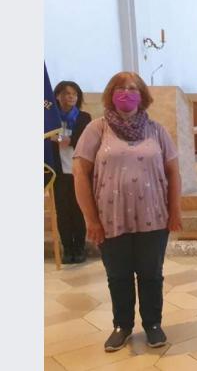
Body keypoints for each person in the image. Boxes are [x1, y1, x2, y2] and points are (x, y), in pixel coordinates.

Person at [73, 72, 182, 352]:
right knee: (118, 275)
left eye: (132, 88)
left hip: (154, 216)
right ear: (110, 94)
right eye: (120, 88)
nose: (126, 92)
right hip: (110, 218)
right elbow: (80, 172)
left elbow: (173, 171)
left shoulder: (157, 130)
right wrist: (91, 219)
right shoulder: (96, 129)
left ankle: (153, 325)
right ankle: (122, 326)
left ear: (142, 95)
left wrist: (175, 210)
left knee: (151, 274)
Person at [50, 81, 92, 264]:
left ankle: (79, 248)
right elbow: (47, 138)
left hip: (78, 171)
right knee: (62, 212)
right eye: (67, 94)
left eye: (74, 94)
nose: (71, 97)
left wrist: (62, 138)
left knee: (77, 211)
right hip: (57, 172)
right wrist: (59, 138)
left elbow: (82, 139)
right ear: (57, 96)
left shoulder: (84, 117)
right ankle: (67, 249)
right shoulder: (49, 119)